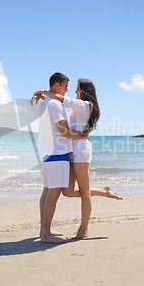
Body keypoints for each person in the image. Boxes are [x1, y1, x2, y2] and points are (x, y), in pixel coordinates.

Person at [31, 78, 123, 240]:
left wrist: (41, 92)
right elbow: (58, 105)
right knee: (67, 191)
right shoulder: (75, 106)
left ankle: (83, 229)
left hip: (80, 150)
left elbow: (60, 98)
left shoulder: (86, 105)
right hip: (70, 150)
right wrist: (44, 98)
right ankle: (103, 192)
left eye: (78, 89)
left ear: (85, 91)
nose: (75, 92)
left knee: (84, 191)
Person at [36, 72, 90, 244]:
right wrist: (81, 136)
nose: (67, 89)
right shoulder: (55, 105)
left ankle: (44, 229)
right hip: (58, 153)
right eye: (66, 85)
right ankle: (46, 234)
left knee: (46, 191)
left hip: (47, 152)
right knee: (53, 193)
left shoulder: (46, 103)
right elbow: (63, 130)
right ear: (57, 85)